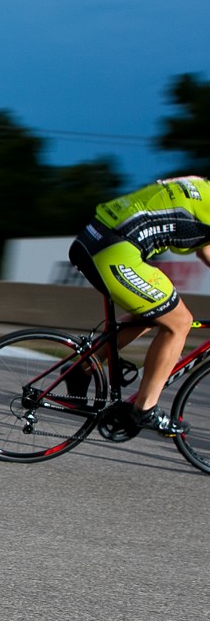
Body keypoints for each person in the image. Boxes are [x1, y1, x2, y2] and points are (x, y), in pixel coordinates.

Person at [68, 175, 210, 435]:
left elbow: (206, 250)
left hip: (93, 237)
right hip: (114, 251)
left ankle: (82, 368)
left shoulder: (202, 189)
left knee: (153, 314)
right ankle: (145, 409)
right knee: (180, 322)